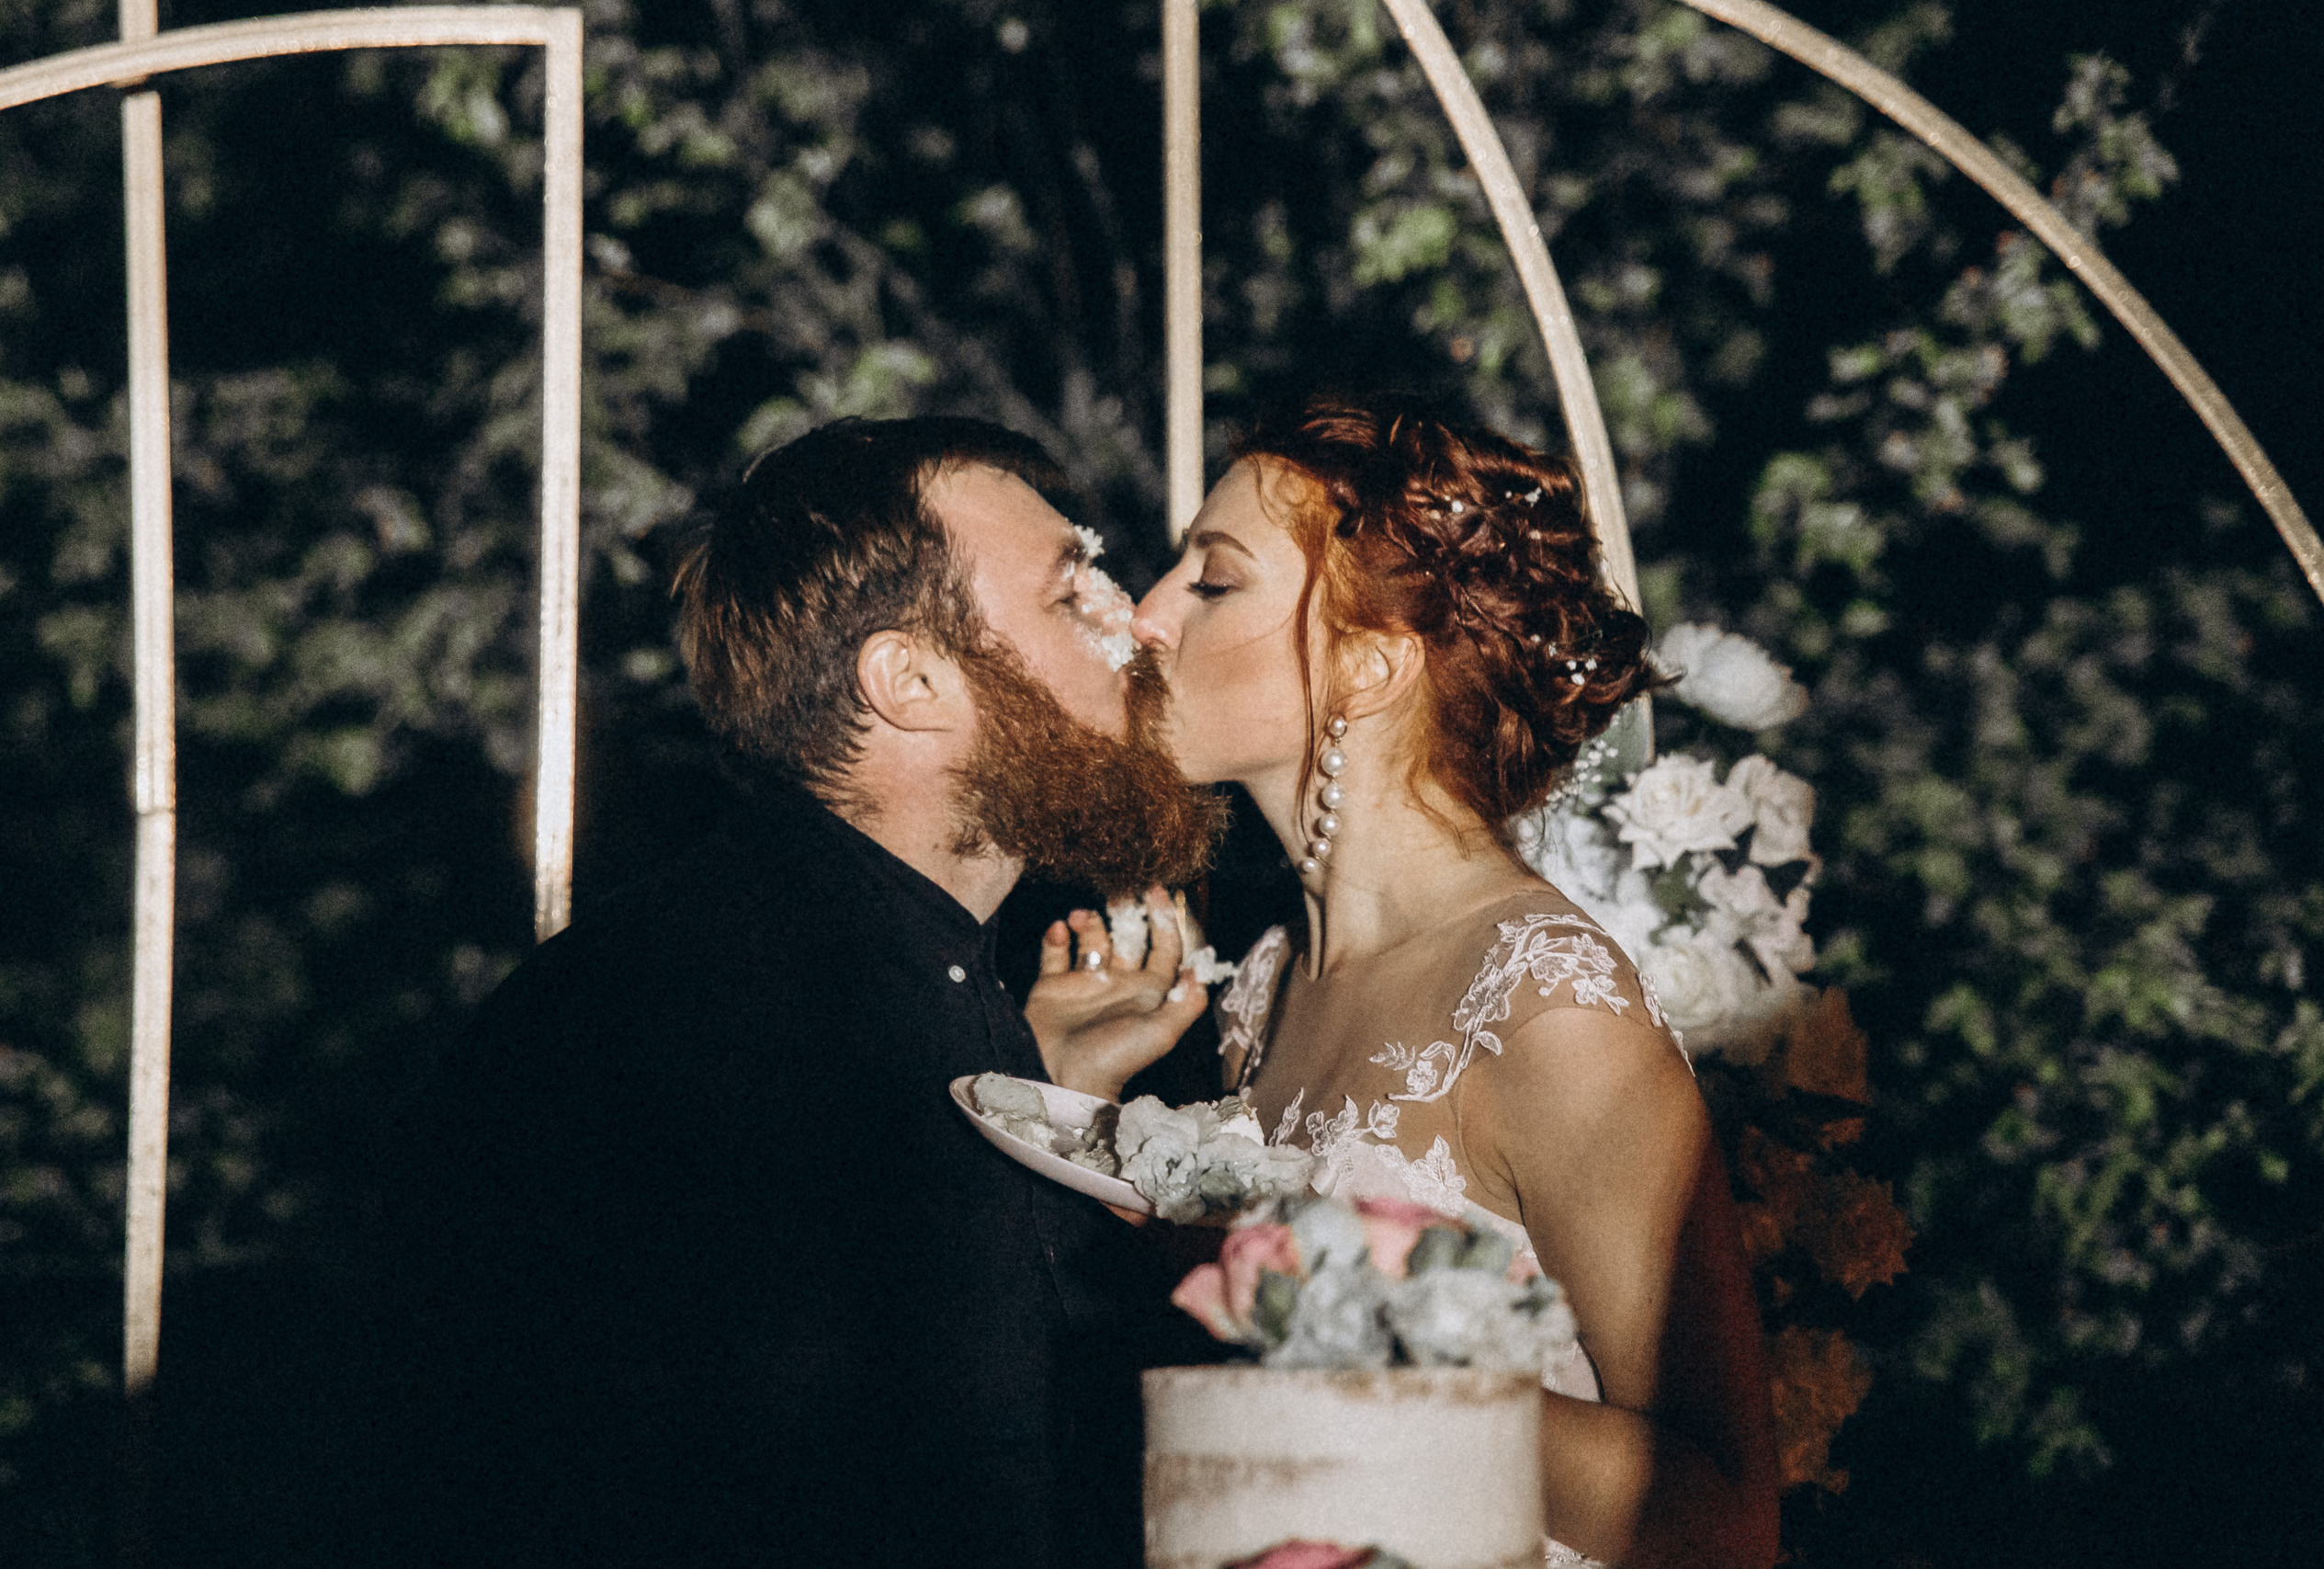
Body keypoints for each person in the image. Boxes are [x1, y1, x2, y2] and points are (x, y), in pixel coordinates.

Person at [373, 416, 1227, 1568]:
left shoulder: (890, 965)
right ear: (908, 680)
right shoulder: (699, 1024)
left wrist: (1043, 1094)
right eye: (1072, 592)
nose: (1139, 623)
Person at [1102, 394, 1781, 1568]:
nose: (1145, 616)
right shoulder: (1268, 977)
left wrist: (1350, 1332)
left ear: (1368, 666)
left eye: (1212, 582)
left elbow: (1722, 1522)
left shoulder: (1543, 1004)